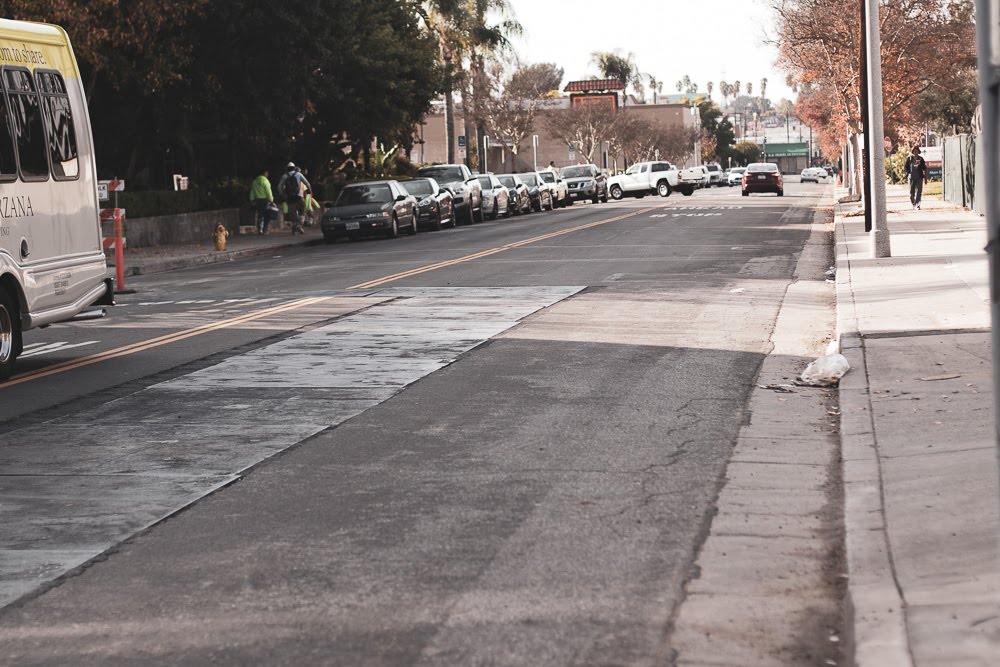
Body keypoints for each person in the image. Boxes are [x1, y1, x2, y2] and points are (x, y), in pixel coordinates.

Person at [277, 162, 311, 234]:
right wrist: (310, 191)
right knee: (302, 210)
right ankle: (298, 225)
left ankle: (295, 225)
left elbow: (279, 187)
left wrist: (283, 194)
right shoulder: (299, 174)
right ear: (294, 167)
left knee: (292, 213)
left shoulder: (284, 176)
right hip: (299, 197)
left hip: (289, 198)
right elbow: (307, 183)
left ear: (287, 168)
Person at [249, 167, 273, 235]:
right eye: (267, 173)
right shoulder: (265, 181)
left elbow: (252, 191)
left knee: (260, 215)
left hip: (257, 200)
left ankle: (260, 229)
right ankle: (265, 229)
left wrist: (252, 199)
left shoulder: (255, 181)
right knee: (267, 215)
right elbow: (268, 191)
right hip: (265, 200)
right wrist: (271, 200)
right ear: (265, 173)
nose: (268, 174)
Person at [904, 146, 928, 210]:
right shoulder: (909, 159)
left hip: (919, 177)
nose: (915, 152)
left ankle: (917, 205)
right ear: (912, 152)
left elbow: (924, 168)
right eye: (914, 151)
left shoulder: (921, 159)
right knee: (911, 193)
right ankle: (914, 203)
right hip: (911, 178)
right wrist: (908, 173)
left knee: (919, 192)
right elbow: (906, 168)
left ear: (918, 152)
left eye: (917, 151)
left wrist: (925, 178)